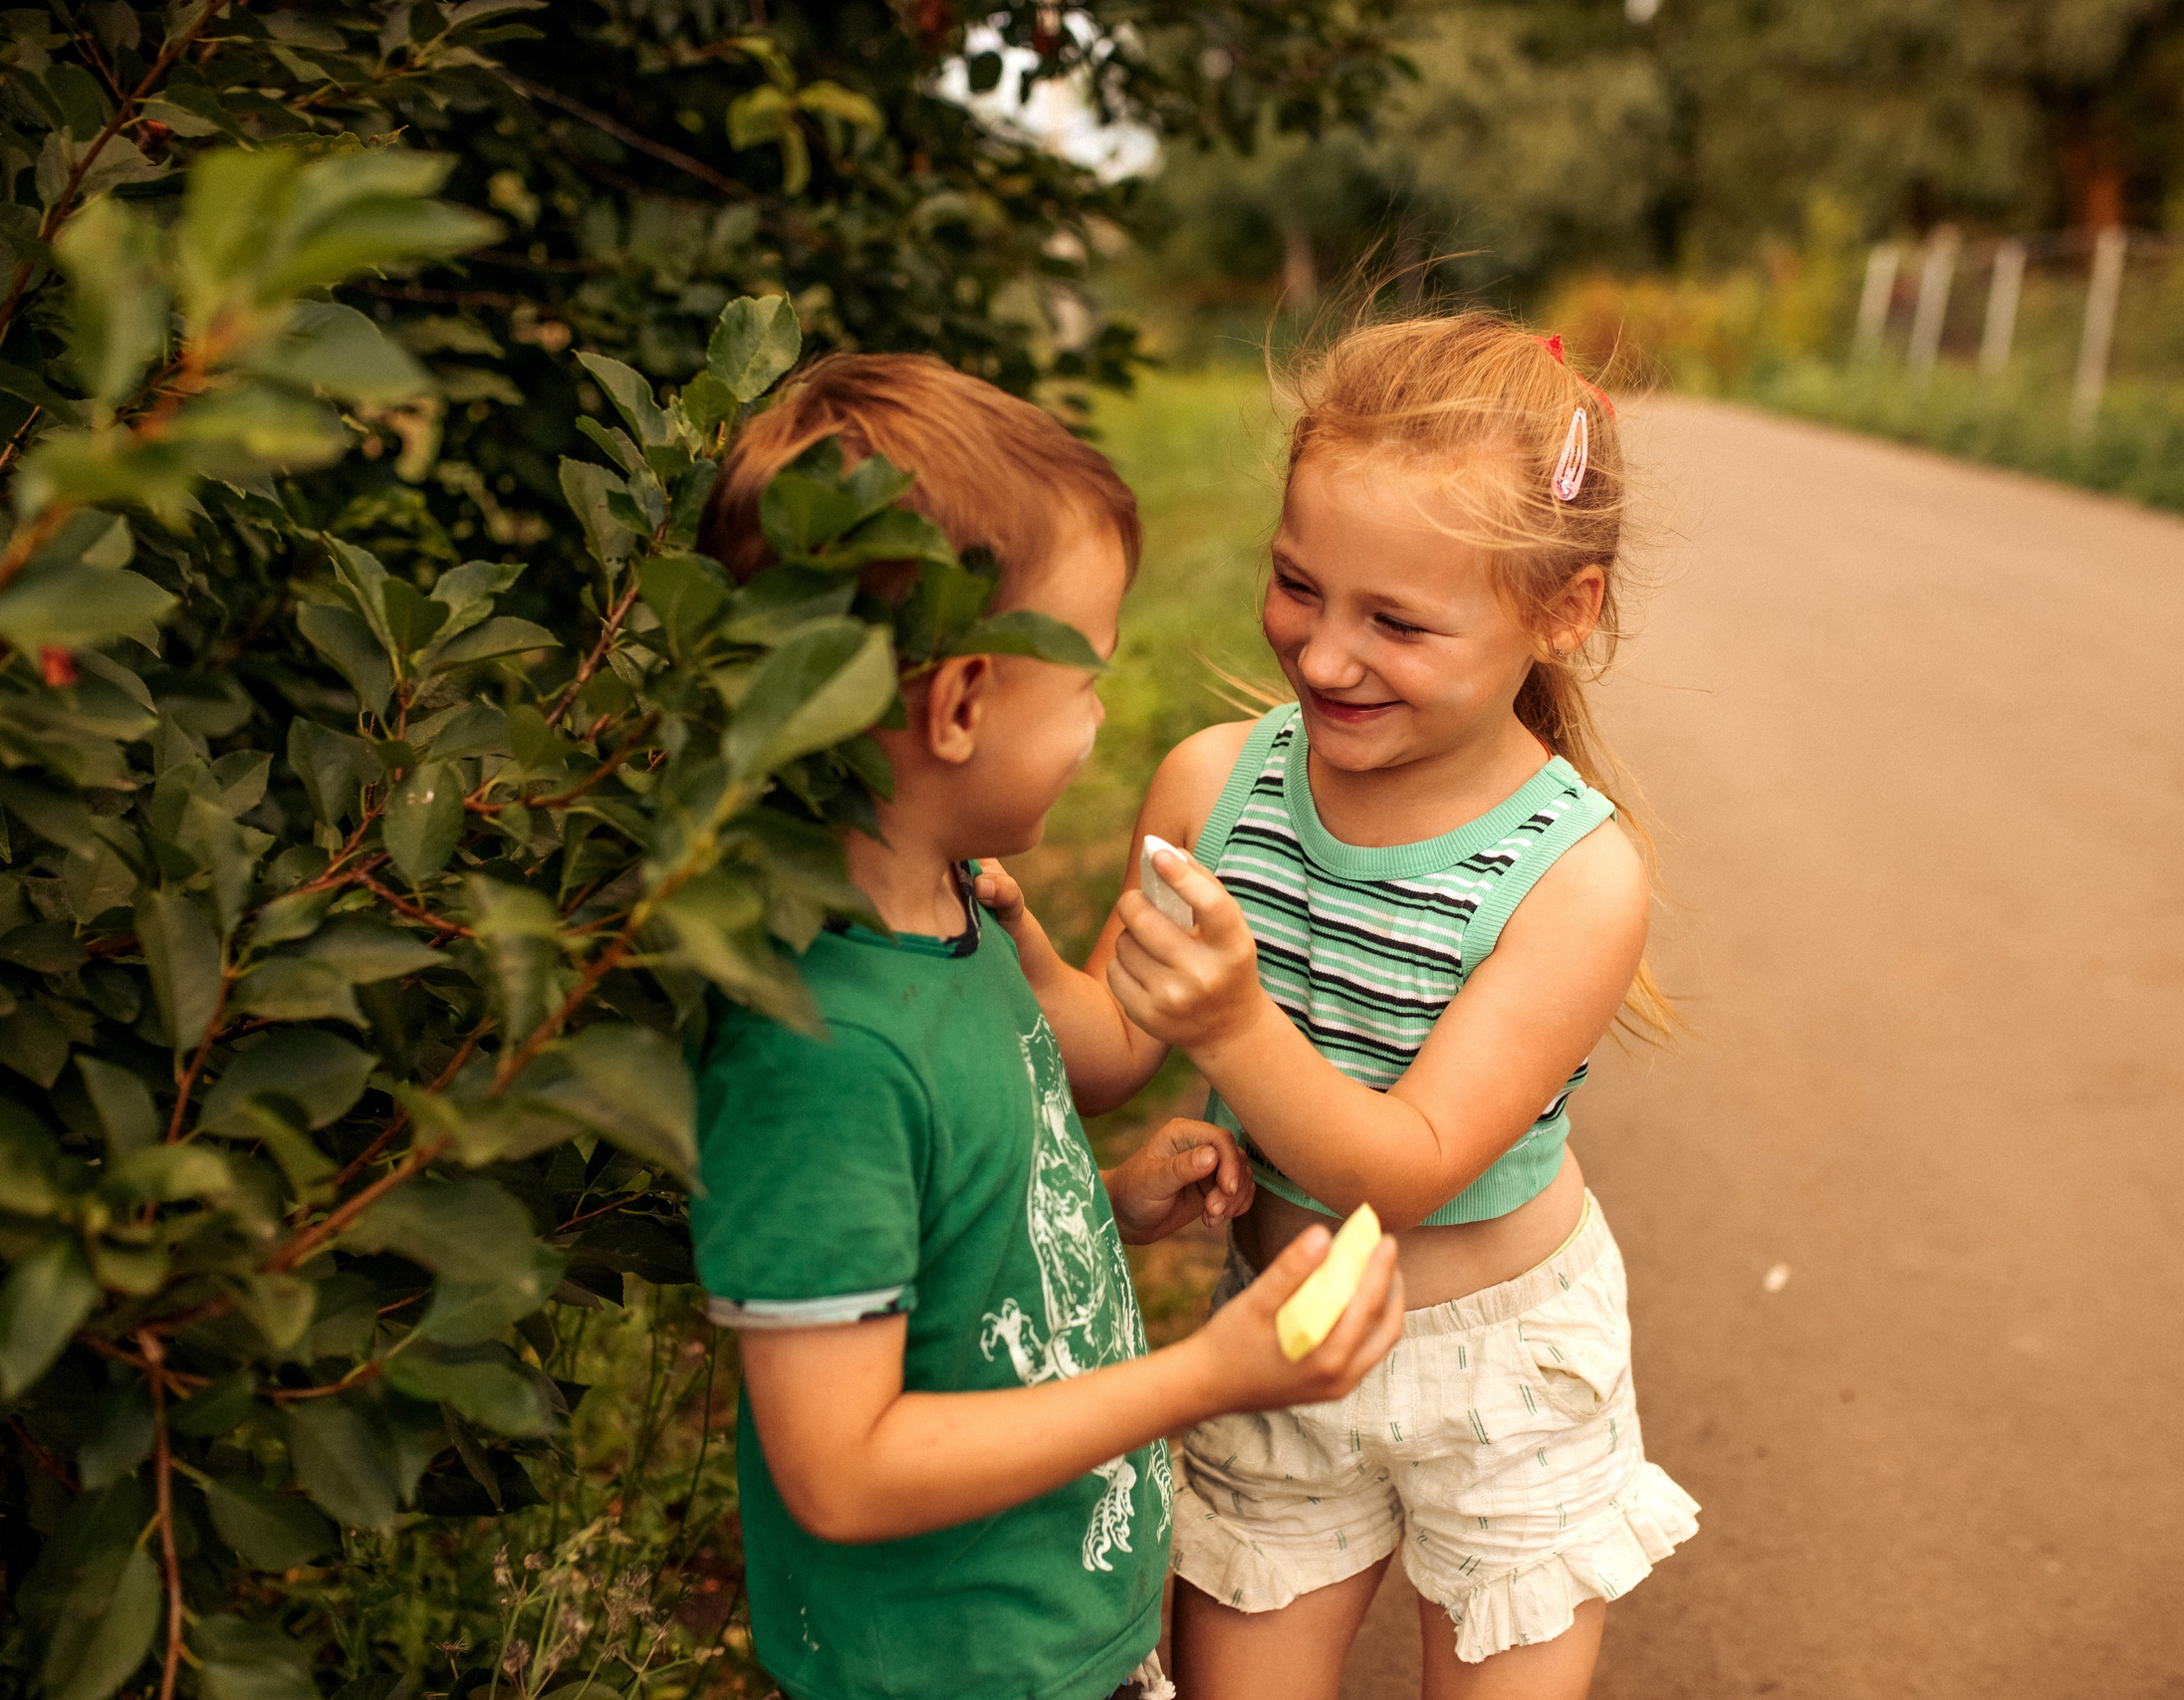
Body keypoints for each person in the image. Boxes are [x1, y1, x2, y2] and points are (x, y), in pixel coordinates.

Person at [972, 312, 1700, 1700]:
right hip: (1280, 1330)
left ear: (1563, 612)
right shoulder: (1211, 786)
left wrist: (1239, 1028)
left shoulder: (1577, 879)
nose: (1323, 656)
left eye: (1398, 622)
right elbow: (1115, 1054)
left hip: (1507, 1377)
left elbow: (1409, 1171)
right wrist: (1011, 938)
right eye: (1299, 586)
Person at [686, 353, 1407, 1700]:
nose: (1098, 726)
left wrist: (1106, 1204)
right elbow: (843, 1470)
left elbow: (949, 1220)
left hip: (1059, 1637)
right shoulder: (820, 1053)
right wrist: (1202, 1375)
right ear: (960, 704)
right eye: (1086, 683)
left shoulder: (954, 916)